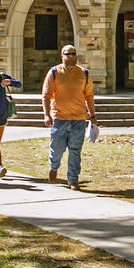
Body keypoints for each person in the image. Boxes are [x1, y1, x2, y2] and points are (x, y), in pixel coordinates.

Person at [41, 44, 95, 190]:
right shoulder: (54, 72)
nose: (71, 57)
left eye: (73, 54)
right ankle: (53, 167)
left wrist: (92, 115)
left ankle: (72, 180)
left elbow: (89, 96)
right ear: (62, 56)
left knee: (75, 150)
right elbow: (46, 95)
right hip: (59, 118)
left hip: (78, 119)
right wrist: (47, 115)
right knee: (57, 149)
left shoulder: (84, 73)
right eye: (68, 54)